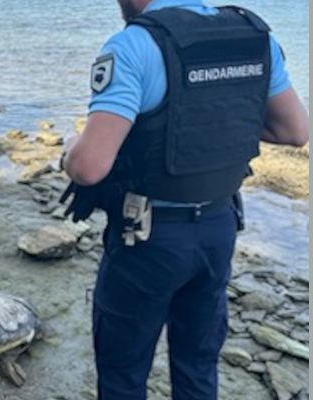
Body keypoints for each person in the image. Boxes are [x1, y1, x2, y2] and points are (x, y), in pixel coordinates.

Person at [60, 0, 309, 399]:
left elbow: (90, 167)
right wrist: (218, 120)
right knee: (197, 363)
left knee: (123, 371)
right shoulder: (255, 37)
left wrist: (70, 149)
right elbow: (295, 131)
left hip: (147, 239)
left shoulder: (134, 45)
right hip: (219, 228)